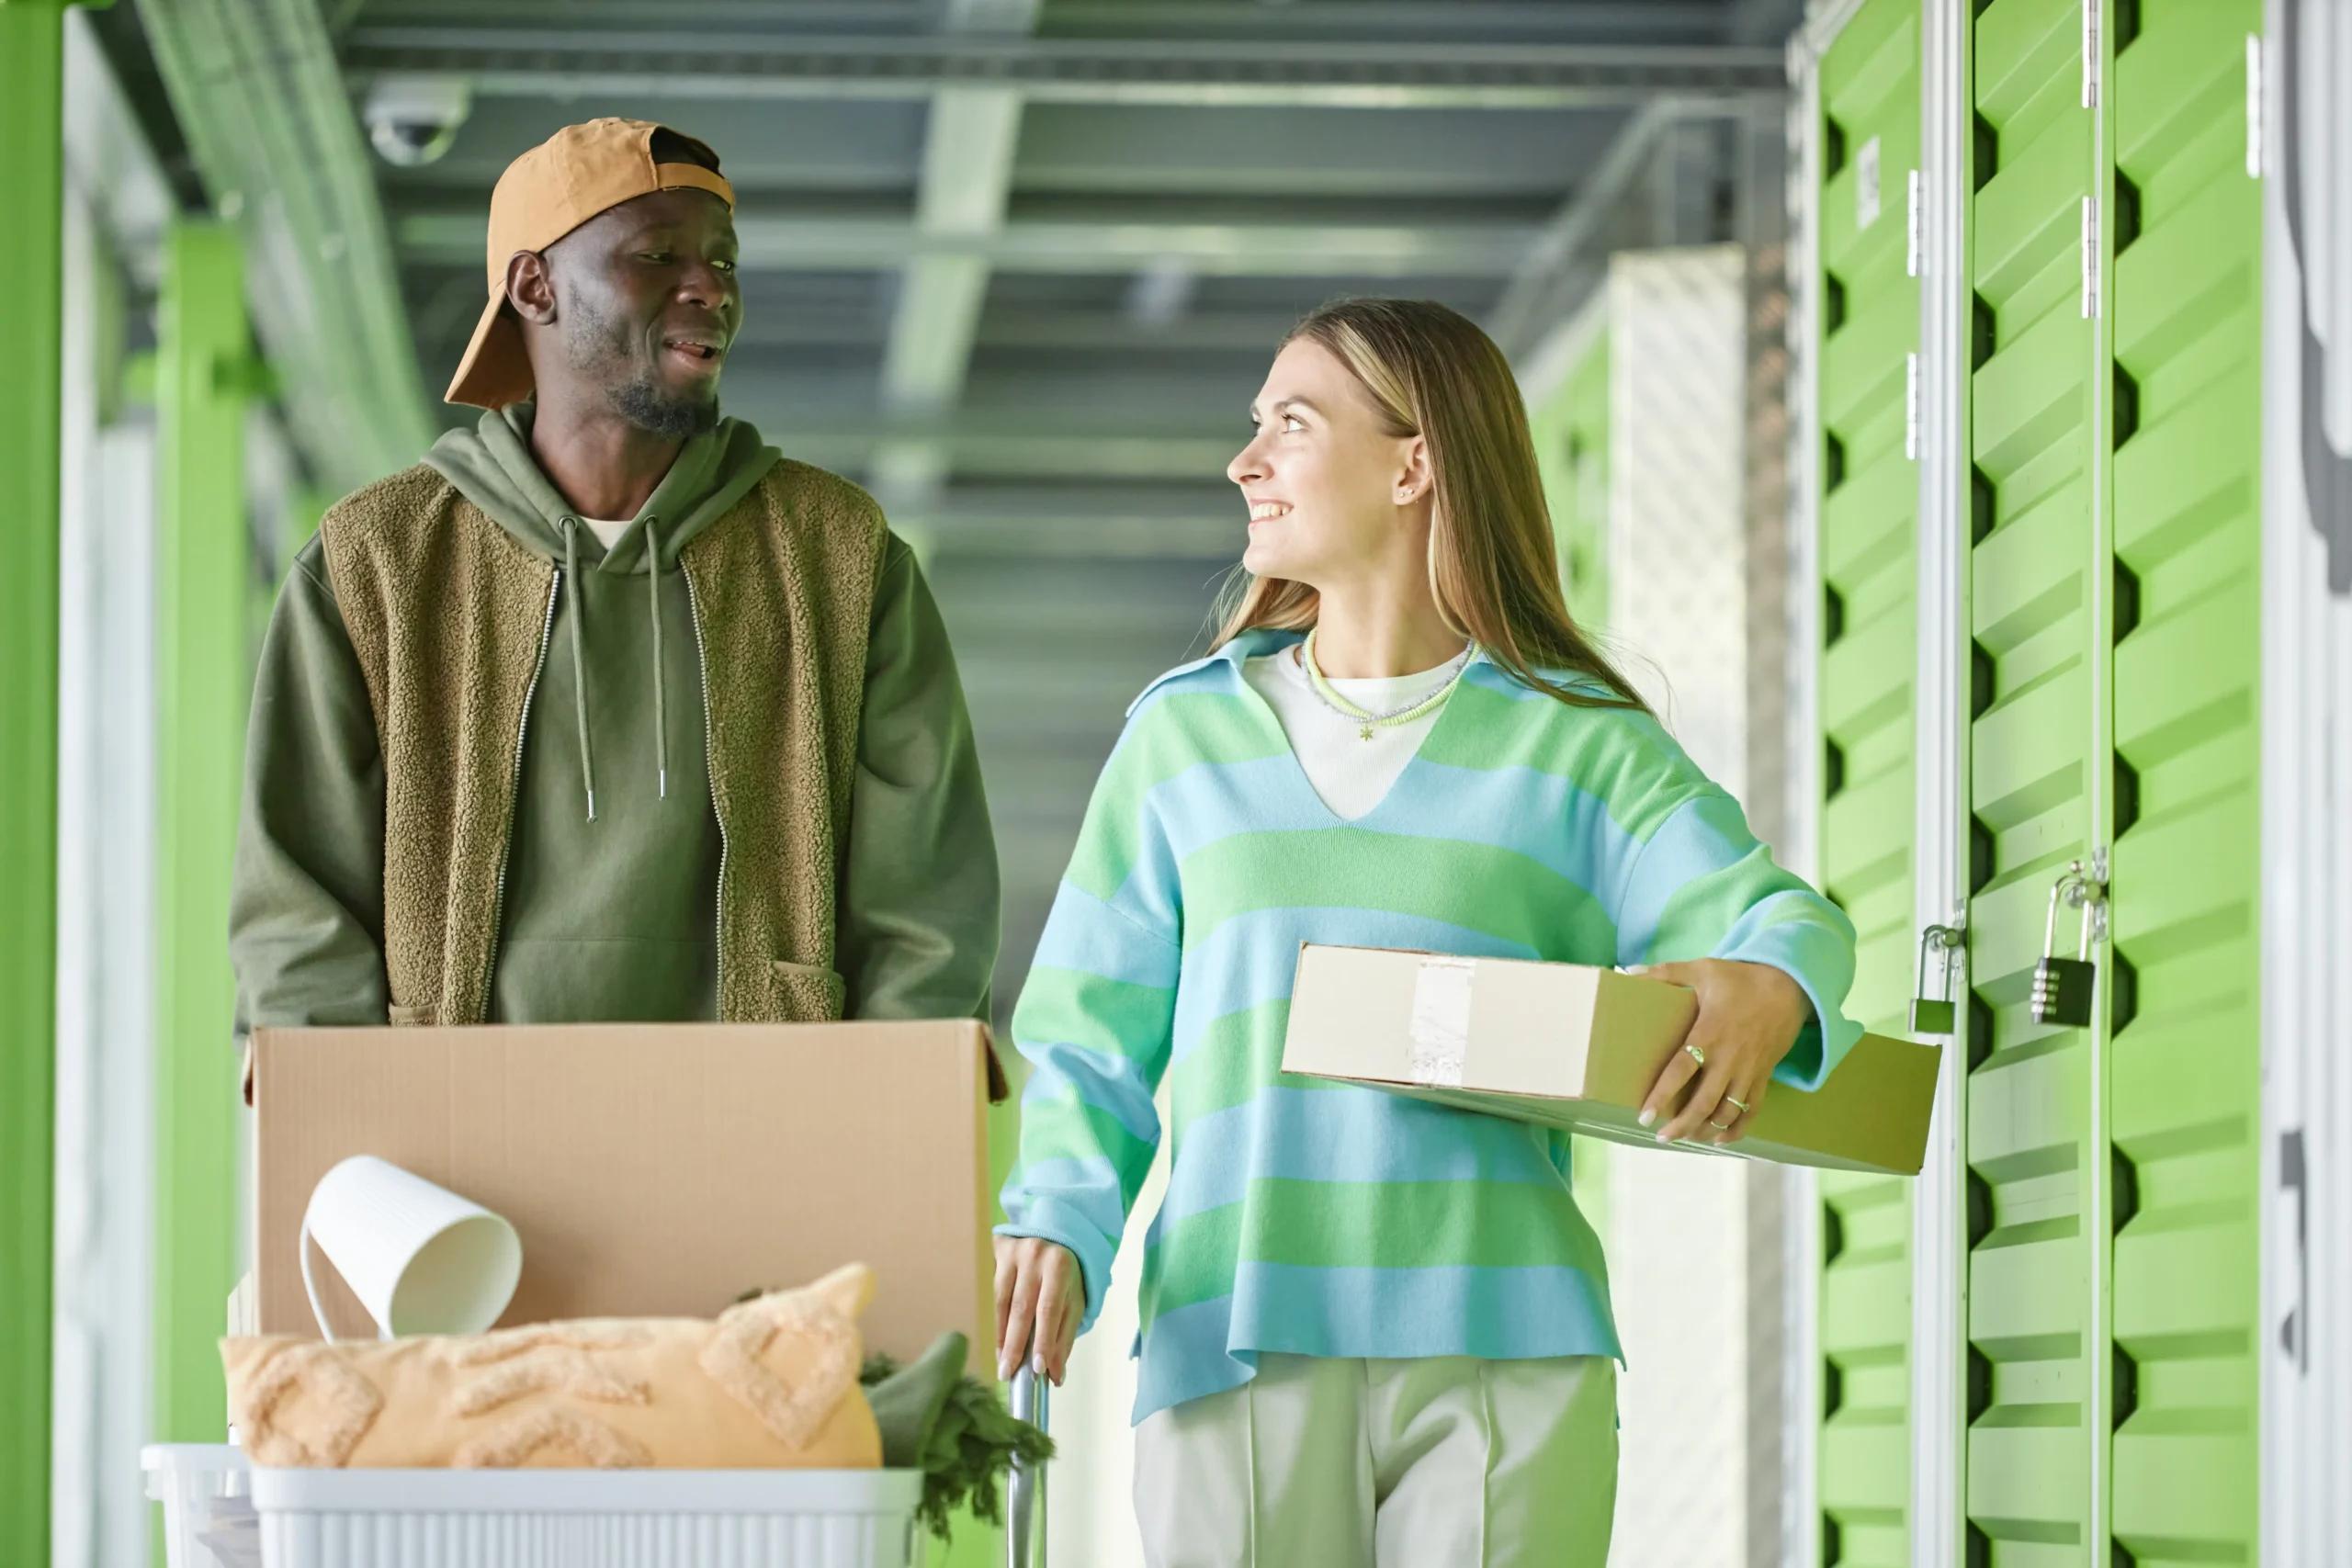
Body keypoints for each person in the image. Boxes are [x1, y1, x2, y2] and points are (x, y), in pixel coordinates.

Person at [991, 299, 1860, 1566]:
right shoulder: (1181, 738)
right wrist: (1060, 1213)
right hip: (1235, 1327)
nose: (1246, 461)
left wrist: (1769, 982)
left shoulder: (1578, 744)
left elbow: (1779, 915)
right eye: (1255, 427)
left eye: (1291, 423)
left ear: (1414, 463)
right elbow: (1088, 1029)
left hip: (1507, 1345)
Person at [230, 118, 998, 1041]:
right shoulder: (377, 562)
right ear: (534, 284)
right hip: (460, 1153)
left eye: (724, 260)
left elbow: (927, 911)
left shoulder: (837, 556)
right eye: (658, 253)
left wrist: (879, 1128)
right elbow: (298, 915)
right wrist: (347, 1144)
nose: (708, 285)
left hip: (762, 1143)